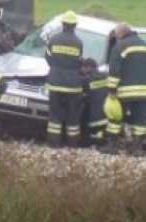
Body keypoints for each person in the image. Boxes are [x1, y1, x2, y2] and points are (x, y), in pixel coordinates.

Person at [103, 23, 146, 151]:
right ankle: (137, 148)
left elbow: (114, 70)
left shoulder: (120, 47)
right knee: (139, 120)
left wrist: (111, 89)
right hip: (144, 92)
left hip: (125, 92)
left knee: (115, 118)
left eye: (116, 35)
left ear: (120, 34)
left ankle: (112, 146)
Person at [45, 10, 84, 147]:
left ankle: (54, 144)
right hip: (73, 86)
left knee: (54, 115)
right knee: (73, 116)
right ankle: (72, 144)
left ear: (63, 24)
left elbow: (48, 58)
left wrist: (56, 68)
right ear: (74, 25)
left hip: (55, 83)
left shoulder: (53, 39)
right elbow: (79, 63)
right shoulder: (78, 43)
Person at [80, 58, 108, 146]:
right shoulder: (106, 76)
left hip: (94, 118)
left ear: (88, 67)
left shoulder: (86, 80)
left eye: (82, 68)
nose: (81, 70)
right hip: (108, 116)